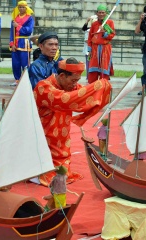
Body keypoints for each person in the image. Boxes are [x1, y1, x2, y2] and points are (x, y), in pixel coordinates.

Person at [33, 57, 112, 186]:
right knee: (52, 173)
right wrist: (99, 85)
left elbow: (85, 95)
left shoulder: (69, 86)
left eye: (78, 80)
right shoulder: (43, 87)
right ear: (62, 76)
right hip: (43, 141)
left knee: (62, 172)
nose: (75, 84)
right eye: (73, 80)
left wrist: (104, 90)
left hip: (61, 142)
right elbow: (66, 99)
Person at [87, 4, 115, 84]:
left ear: (106, 13)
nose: (101, 14)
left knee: (104, 69)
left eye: (103, 12)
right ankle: (92, 88)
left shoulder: (110, 23)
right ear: (97, 13)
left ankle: (103, 87)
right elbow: (90, 37)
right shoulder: (94, 24)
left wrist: (104, 32)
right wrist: (89, 49)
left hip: (105, 48)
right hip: (95, 49)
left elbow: (112, 35)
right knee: (93, 69)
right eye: (99, 12)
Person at [9, 1, 34, 86]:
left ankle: (26, 80)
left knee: (25, 63)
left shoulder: (29, 18)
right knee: (15, 63)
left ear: (26, 8)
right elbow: (11, 33)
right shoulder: (14, 18)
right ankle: (17, 79)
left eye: (23, 7)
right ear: (18, 8)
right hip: (15, 42)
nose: (21, 8)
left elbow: (29, 31)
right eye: (20, 7)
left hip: (24, 42)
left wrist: (18, 26)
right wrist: (12, 44)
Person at [82, 15, 98, 81]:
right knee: (89, 64)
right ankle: (89, 77)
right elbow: (86, 40)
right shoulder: (88, 31)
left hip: (95, 50)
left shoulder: (97, 30)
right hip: (88, 50)